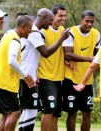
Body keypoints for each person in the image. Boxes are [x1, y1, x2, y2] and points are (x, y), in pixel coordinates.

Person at [18, 8, 69, 131]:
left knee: (27, 110)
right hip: (27, 76)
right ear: (43, 18)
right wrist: (61, 39)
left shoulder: (34, 31)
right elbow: (45, 53)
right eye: (50, 20)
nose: (51, 23)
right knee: (30, 111)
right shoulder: (34, 32)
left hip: (29, 75)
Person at [62, 10, 101, 131]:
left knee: (87, 112)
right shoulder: (71, 32)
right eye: (87, 21)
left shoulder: (96, 34)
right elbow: (67, 54)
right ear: (81, 20)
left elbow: (98, 56)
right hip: (71, 79)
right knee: (72, 112)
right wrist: (88, 59)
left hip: (87, 80)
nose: (89, 24)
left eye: (92, 22)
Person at [0, 15, 35, 131]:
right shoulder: (15, 40)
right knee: (15, 112)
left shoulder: (8, 35)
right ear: (23, 27)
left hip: (0, 80)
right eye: (29, 29)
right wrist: (26, 76)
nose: (30, 32)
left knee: (5, 114)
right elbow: (12, 61)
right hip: (6, 83)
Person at [37, 3, 67, 131]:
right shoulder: (43, 31)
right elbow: (43, 53)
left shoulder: (62, 30)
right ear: (52, 16)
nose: (63, 18)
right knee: (48, 109)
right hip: (45, 76)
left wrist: (66, 60)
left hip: (58, 77)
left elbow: (61, 51)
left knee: (56, 112)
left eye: (65, 16)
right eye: (60, 15)